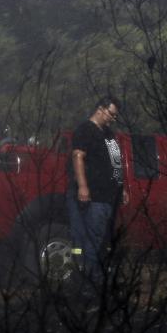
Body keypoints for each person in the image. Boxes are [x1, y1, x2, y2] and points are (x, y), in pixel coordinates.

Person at [67, 97, 127, 287]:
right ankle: (88, 286)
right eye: (111, 114)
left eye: (115, 116)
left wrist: (121, 187)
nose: (112, 119)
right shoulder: (85, 130)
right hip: (93, 197)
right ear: (100, 109)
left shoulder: (109, 135)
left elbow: (116, 162)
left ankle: (95, 283)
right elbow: (78, 156)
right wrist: (83, 186)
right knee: (88, 241)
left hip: (108, 198)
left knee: (101, 242)